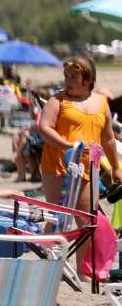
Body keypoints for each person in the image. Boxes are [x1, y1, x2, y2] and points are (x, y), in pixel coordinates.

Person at [38, 56, 119, 211]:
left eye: (74, 77)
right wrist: (69, 146)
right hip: (58, 168)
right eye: (66, 76)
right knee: (58, 219)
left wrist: (115, 168)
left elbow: (108, 140)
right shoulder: (57, 101)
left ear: (88, 80)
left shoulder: (102, 102)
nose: (68, 81)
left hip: (90, 168)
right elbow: (45, 128)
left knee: (88, 221)